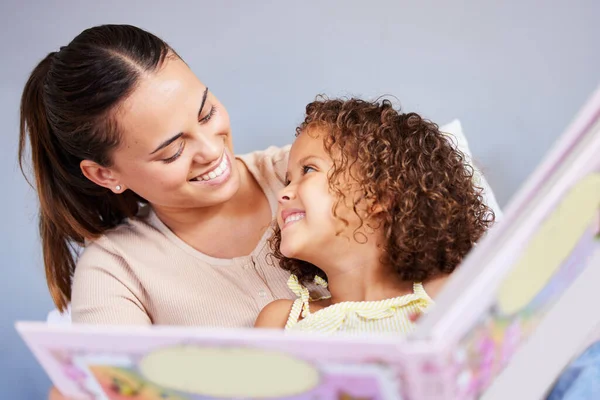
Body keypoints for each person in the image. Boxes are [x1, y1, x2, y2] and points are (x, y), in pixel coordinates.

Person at [18, 24, 500, 398]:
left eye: (206, 112)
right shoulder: (118, 269)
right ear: (105, 175)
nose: (211, 150)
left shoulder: (320, 171)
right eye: (171, 150)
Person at [255, 98, 495, 334]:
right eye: (287, 180)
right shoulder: (284, 321)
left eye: (308, 169)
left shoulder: (444, 293)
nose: (283, 193)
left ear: (380, 196)